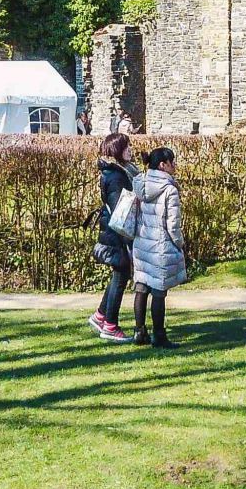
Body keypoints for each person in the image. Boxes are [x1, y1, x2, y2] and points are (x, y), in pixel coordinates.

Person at [129, 145, 186, 347]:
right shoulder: (169, 190)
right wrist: (179, 244)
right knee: (159, 291)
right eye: (172, 162)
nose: (175, 166)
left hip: (142, 242)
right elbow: (173, 225)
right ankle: (159, 336)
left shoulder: (141, 183)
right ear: (163, 165)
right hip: (161, 245)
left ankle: (139, 331)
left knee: (142, 286)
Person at [89, 134, 136, 342]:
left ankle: (101, 315)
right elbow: (120, 210)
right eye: (127, 146)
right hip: (116, 233)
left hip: (112, 230)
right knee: (121, 273)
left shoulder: (116, 171)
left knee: (120, 273)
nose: (131, 149)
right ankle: (110, 325)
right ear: (118, 150)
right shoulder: (116, 176)